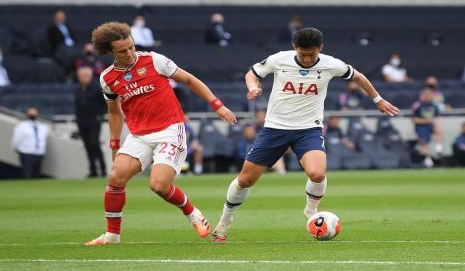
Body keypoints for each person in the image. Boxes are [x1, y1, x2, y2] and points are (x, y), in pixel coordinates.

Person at [211, 27, 399, 243]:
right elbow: (252, 74)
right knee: (245, 180)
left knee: (317, 173)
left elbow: (357, 76)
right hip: (275, 129)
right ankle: (224, 223)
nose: (308, 59)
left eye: (312, 54)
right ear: (294, 48)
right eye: (303, 54)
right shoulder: (279, 60)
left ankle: (310, 212)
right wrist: (253, 87)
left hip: (308, 129)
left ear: (321, 48)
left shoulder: (331, 64)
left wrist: (378, 99)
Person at [85, 22, 236, 245]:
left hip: (169, 130)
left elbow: (189, 80)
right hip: (138, 135)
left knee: (158, 185)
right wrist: (115, 143)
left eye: (131, 47)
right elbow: (114, 113)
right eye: (122, 51)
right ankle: (112, 235)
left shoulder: (155, 60)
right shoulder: (107, 78)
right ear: (110, 52)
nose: (129, 53)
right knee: (116, 178)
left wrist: (217, 105)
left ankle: (192, 213)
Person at [74, 67, 107, 177]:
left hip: (94, 121)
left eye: (85, 76)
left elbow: (105, 103)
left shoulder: (96, 89)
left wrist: (100, 115)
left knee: (94, 143)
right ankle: (93, 170)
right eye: (81, 76)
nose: (83, 78)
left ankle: (103, 169)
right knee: (87, 146)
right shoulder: (78, 90)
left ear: (90, 76)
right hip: (82, 122)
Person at [11, 107, 49, 178]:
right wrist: (16, 149)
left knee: (36, 174)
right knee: (27, 174)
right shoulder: (21, 126)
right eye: (31, 112)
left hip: (39, 154)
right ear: (27, 114)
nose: (33, 114)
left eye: (34, 112)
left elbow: (44, 139)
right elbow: (16, 139)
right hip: (26, 153)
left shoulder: (42, 126)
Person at [411, 88, 442, 167]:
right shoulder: (418, 105)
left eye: (430, 95)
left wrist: (435, 124)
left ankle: (439, 149)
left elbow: (437, 118)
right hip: (421, 127)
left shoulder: (434, 105)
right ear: (423, 96)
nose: (429, 97)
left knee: (438, 129)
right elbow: (414, 119)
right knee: (423, 145)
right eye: (427, 95)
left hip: (430, 126)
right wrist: (426, 121)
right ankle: (427, 160)